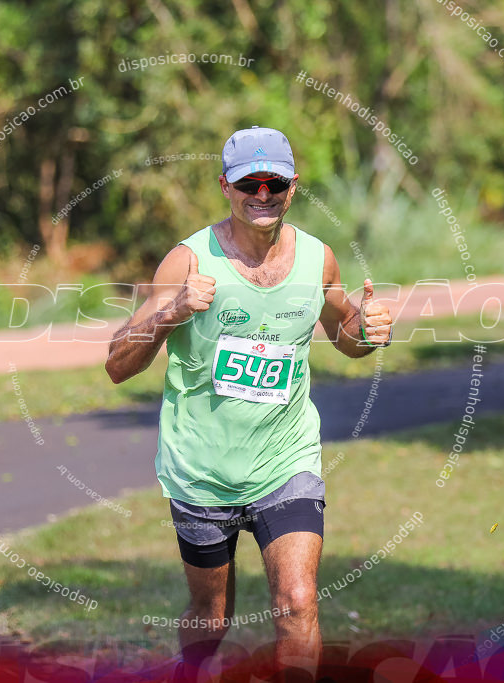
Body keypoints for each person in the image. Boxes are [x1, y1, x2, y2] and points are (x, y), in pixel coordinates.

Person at [105, 126, 393, 681]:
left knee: (298, 601)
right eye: (249, 183)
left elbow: (347, 337)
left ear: (293, 185)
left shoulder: (319, 260)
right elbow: (118, 364)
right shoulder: (187, 261)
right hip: (200, 470)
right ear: (225, 186)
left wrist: (370, 328)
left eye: (275, 182)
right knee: (211, 618)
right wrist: (172, 313)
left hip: (286, 462)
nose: (263, 194)